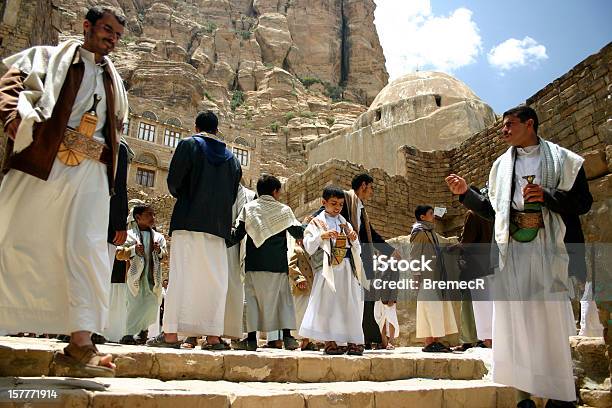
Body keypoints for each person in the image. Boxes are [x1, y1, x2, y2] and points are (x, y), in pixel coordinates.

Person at [0, 5, 129, 376]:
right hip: (44, 161)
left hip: (91, 172)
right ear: (86, 26)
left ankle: (79, 346)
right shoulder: (48, 57)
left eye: (118, 35)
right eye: (107, 30)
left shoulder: (113, 79)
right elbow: (10, 82)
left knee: (86, 249)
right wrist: (13, 120)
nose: (112, 39)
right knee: (12, 237)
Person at [446, 105, 592, 407]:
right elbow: (492, 208)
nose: (504, 131)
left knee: (550, 320)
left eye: (510, 125)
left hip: (548, 252)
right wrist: (465, 194)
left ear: (530, 124)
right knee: (516, 322)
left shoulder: (565, 161)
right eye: (503, 126)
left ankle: (559, 395)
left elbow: (583, 202)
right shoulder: (500, 167)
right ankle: (523, 394)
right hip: (512, 253)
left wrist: (548, 197)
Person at [147, 110, 241, 349]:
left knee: (181, 276)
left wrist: (190, 197)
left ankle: (170, 335)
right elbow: (232, 195)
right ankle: (212, 336)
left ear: (197, 127)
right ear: (217, 130)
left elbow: (174, 183)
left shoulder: (188, 145)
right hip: (218, 227)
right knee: (214, 280)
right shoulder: (232, 159)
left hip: (188, 221)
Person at [313, 173, 400, 348]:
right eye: (371, 188)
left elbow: (369, 234)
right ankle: (337, 339)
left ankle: (364, 338)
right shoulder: (345, 199)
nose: (372, 192)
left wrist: (389, 251)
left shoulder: (360, 208)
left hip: (359, 258)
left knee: (366, 298)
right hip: (342, 259)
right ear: (363, 185)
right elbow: (323, 213)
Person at [228, 174, 303, 351]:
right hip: (278, 265)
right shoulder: (284, 210)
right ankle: (288, 338)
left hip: (254, 264)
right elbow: (298, 232)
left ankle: (252, 340)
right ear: (276, 191)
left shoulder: (249, 208)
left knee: (253, 301)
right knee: (283, 300)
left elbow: (237, 235)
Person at [300, 186, 368, 355]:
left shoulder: (345, 222)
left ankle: (354, 341)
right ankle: (331, 342)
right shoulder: (316, 222)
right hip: (327, 269)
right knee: (328, 306)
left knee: (349, 304)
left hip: (346, 268)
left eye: (340, 204)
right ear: (324, 203)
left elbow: (356, 247)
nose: (337, 207)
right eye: (333, 203)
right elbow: (308, 246)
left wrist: (353, 239)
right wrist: (321, 236)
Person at [410, 205, 458, 353]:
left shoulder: (430, 232)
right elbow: (415, 254)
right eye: (431, 213)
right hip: (427, 276)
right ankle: (429, 342)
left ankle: (434, 341)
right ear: (422, 217)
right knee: (429, 308)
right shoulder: (419, 232)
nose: (434, 215)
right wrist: (416, 275)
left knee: (435, 307)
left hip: (436, 276)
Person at [116, 204, 166, 344]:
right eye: (149, 214)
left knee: (150, 306)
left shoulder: (159, 238)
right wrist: (133, 250)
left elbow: (165, 257)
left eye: (153, 214)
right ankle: (129, 335)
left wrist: (159, 251)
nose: (153, 218)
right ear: (138, 217)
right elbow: (119, 254)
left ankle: (143, 333)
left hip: (152, 279)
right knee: (134, 306)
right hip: (135, 278)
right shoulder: (129, 235)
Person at [453, 206, 494, 351]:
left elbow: (467, 242)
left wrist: (453, 248)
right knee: (488, 305)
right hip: (489, 266)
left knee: (471, 305)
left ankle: (471, 340)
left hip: (473, 268)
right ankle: (487, 339)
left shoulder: (473, 213)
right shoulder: (490, 215)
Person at [288, 242, 317, 351]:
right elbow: (291, 265)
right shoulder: (297, 250)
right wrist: (298, 279)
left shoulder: (315, 251)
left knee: (312, 314)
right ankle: (303, 339)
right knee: (301, 313)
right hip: (302, 287)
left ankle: (310, 340)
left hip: (313, 286)